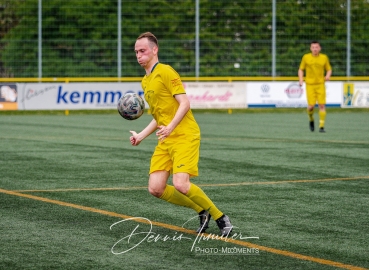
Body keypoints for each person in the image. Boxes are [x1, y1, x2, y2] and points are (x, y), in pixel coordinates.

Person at [129, 32, 233, 236]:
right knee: (156, 189)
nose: (138, 55)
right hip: (166, 139)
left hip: (184, 134)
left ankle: (221, 218)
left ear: (154, 50)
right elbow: (159, 117)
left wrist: (170, 127)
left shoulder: (166, 71)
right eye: (136, 52)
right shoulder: (145, 81)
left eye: (142, 51)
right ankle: (202, 211)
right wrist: (141, 135)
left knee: (181, 184)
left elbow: (184, 103)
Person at [298, 41, 332, 133]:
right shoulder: (306, 57)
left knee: (321, 105)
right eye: (313, 47)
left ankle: (321, 126)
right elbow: (301, 69)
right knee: (310, 107)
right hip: (310, 85)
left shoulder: (324, 58)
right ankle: (311, 119)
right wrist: (301, 80)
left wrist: (328, 75)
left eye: (316, 47)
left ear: (320, 48)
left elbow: (328, 69)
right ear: (310, 48)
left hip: (320, 84)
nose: (315, 49)